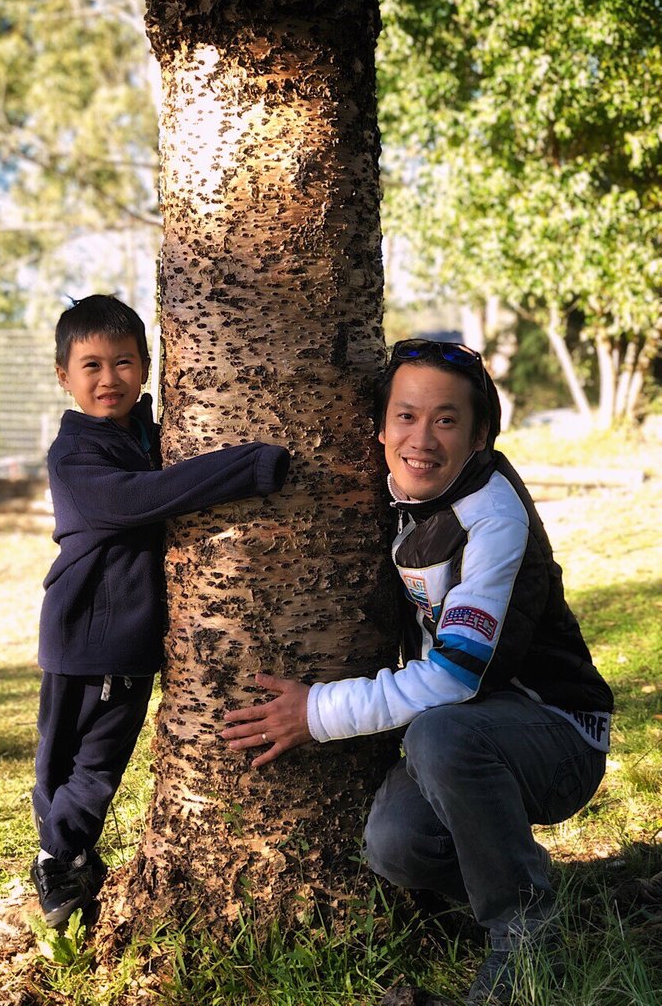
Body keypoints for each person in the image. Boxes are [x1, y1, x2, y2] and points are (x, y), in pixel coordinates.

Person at [221, 339, 612, 1005]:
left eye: (446, 420)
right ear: (379, 429)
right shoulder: (400, 492)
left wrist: (314, 711)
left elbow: (455, 678)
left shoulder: (493, 515)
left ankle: (523, 931)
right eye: (405, 416)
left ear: (481, 435)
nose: (421, 439)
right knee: (395, 847)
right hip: (474, 730)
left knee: (439, 736)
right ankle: (523, 881)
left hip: (559, 732)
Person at [31, 294, 290, 927]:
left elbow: (155, 453)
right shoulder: (75, 456)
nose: (108, 379)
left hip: (117, 640)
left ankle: (62, 850)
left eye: (123, 363)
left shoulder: (144, 434)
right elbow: (146, 497)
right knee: (73, 759)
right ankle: (59, 859)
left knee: (89, 758)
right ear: (63, 375)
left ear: (148, 367)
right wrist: (249, 466)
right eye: (90, 366)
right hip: (90, 634)